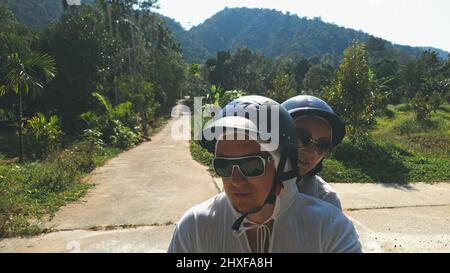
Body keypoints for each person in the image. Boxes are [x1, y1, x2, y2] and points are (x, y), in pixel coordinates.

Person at [168, 95, 361, 253]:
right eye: (223, 166)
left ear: (283, 163)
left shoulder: (331, 226)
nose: (236, 181)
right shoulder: (194, 227)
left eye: (252, 165)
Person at [282, 95, 345, 210]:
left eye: (322, 145)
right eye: (300, 138)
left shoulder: (326, 200)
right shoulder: (242, 182)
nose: (311, 153)